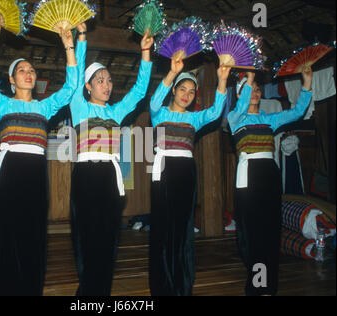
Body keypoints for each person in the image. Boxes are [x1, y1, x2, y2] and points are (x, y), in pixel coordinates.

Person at [0, 18, 78, 296]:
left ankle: (32, 289)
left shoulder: (45, 107)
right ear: (11, 79)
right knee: (8, 233)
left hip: (35, 172)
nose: (28, 73)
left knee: (34, 234)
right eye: (22, 70)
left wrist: (69, 45)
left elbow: (71, 87)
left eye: (31, 69)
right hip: (10, 171)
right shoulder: (1, 103)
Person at [69, 23, 153, 296]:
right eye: (100, 80)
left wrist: (145, 53)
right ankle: (87, 291)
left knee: (109, 236)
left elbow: (140, 91)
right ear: (88, 86)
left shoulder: (116, 113)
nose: (107, 85)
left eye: (109, 80)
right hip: (86, 176)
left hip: (110, 177)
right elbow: (76, 69)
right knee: (86, 235)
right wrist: (81, 37)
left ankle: (101, 291)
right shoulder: (78, 106)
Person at [149, 58, 230, 296]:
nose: (187, 95)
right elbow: (153, 99)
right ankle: (162, 285)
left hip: (186, 173)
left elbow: (216, 112)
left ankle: (181, 284)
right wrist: (172, 73)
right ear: (173, 90)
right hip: (163, 172)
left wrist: (222, 79)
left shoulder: (194, 118)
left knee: (183, 229)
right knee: (163, 228)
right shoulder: (159, 112)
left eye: (192, 92)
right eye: (182, 89)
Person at [228, 69, 313, 296]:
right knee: (252, 235)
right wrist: (250, 79)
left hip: (269, 176)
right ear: (240, 94)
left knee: (270, 232)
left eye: (257, 89)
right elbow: (241, 102)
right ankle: (257, 285)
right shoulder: (235, 118)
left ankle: (269, 287)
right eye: (249, 89)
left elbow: (297, 111)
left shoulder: (269, 120)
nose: (254, 91)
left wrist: (307, 83)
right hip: (248, 180)